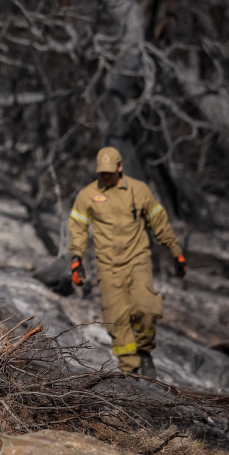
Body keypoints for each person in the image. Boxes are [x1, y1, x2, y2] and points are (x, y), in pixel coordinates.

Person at [68, 147, 187, 379]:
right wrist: (76, 259)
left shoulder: (139, 190)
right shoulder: (87, 195)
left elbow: (160, 223)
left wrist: (176, 252)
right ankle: (129, 370)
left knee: (147, 308)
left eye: (110, 172)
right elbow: (78, 230)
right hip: (107, 266)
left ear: (120, 167)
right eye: (102, 172)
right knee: (116, 318)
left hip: (138, 261)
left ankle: (144, 351)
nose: (106, 176)